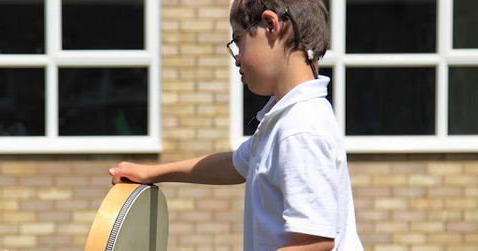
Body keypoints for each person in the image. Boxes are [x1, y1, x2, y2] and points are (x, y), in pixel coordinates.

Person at [109, 0, 363, 250]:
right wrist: (153, 173)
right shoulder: (283, 119)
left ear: (271, 25)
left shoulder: (300, 128)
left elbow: (314, 241)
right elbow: (233, 165)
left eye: (239, 40)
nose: (237, 59)